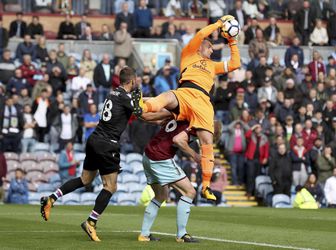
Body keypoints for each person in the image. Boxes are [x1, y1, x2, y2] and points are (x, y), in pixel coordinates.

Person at [131, 15, 241, 201]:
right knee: (167, 97)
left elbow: (235, 64)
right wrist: (218, 25)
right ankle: (141, 106)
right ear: (200, 47)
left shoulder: (213, 66)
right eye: (210, 46)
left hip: (203, 102)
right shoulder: (188, 55)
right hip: (186, 90)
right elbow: (201, 34)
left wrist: (232, 41)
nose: (212, 49)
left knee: (207, 142)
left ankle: (206, 186)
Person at [40, 67, 139, 241]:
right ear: (132, 81)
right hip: (108, 144)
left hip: (94, 139)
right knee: (110, 186)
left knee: (85, 180)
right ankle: (91, 222)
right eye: (136, 80)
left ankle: (52, 198)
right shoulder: (125, 97)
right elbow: (141, 113)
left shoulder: (112, 94)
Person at [138, 119, 199, 243]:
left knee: (161, 195)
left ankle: (144, 234)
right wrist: (195, 155)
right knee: (190, 192)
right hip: (161, 158)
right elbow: (178, 140)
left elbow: (160, 121)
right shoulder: (194, 124)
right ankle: (181, 234)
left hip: (148, 154)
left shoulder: (179, 115)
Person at [245, 124, 269, 198]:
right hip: (251, 159)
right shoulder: (251, 136)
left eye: (259, 128)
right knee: (250, 175)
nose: (258, 130)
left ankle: (256, 193)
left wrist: (265, 158)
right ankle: (249, 192)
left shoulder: (264, 138)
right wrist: (253, 127)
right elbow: (246, 135)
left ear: (261, 129)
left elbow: (266, 149)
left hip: (259, 160)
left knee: (257, 177)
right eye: (256, 128)